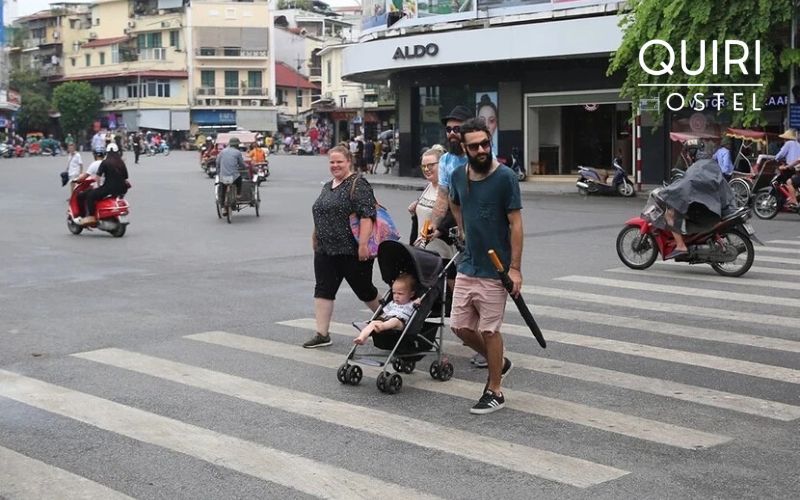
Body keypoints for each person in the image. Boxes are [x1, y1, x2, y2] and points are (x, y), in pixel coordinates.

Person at [448, 118, 521, 414]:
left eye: (485, 144)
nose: (481, 149)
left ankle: (495, 390)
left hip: (496, 269)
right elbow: (455, 202)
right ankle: (499, 362)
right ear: (463, 147)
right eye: (474, 145)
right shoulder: (456, 175)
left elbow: (516, 223)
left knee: (490, 331)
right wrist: (463, 230)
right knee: (461, 328)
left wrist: (515, 268)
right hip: (468, 265)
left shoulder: (505, 177)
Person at [305, 145, 381, 348]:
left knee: (364, 290)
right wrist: (315, 236)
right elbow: (321, 212)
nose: (335, 165)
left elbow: (367, 216)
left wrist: (363, 245)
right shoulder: (328, 185)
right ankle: (322, 334)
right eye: (332, 162)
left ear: (349, 162)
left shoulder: (358, 184)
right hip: (325, 249)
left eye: (339, 161)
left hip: (351, 250)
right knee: (323, 289)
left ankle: (390, 320)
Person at [429, 105, 486, 367]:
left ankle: (487, 344)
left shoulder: (478, 158)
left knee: (482, 289)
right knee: (457, 283)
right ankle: (471, 334)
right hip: (459, 232)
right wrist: (429, 227)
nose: (451, 133)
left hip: (483, 233)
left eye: (457, 129)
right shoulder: (447, 161)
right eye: (448, 129)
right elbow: (444, 198)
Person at [354, 273, 417, 345]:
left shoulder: (412, 304)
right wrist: (377, 320)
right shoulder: (392, 303)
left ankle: (381, 327)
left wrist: (418, 301)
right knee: (373, 323)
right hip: (386, 319)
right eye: (394, 293)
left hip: (400, 322)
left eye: (400, 294)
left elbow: (419, 303)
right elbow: (384, 312)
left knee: (394, 321)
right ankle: (362, 338)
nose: (396, 296)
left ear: (411, 294)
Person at [75, 142, 129, 226]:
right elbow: (126, 177)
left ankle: (91, 216)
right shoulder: (121, 163)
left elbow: (98, 177)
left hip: (109, 188)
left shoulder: (105, 162)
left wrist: (98, 186)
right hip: (122, 189)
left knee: (91, 196)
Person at [216, 137, 246, 216]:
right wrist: (244, 167)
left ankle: (222, 207)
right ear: (237, 145)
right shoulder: (237, 152)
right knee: (239, 179)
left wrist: (218, 172)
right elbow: (242, 164)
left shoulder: (222, 152)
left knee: (223, 189)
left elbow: (217, 162)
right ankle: (238, 194)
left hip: (223, 176)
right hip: (234, 176)